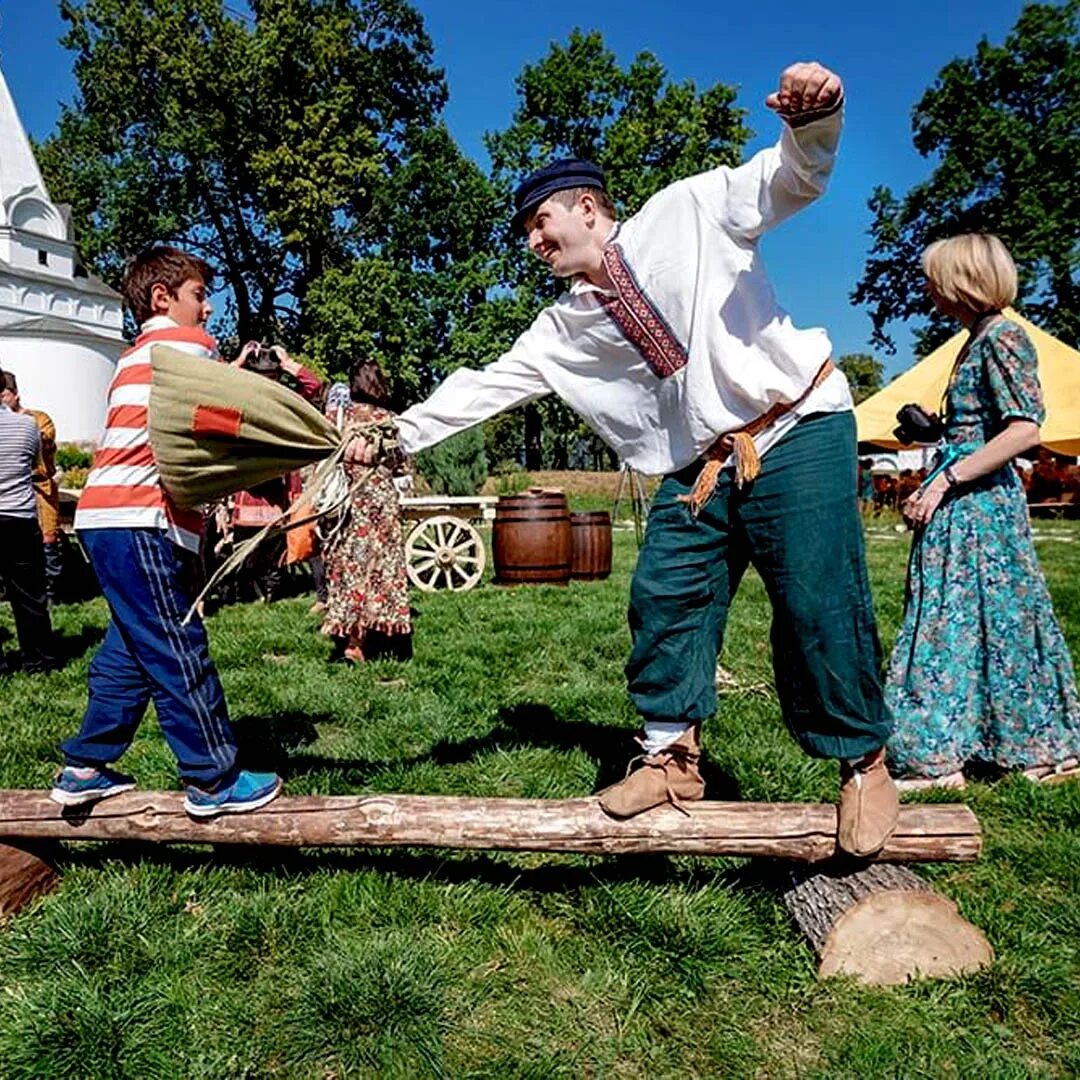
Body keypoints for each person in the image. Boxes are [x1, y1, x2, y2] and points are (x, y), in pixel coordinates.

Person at [351, 62, 897, 856]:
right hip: (702, 467)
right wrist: (394, 434)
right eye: (527, 232)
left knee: (817, 600)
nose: (533, 241)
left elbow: (789, 180)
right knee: (665, 593)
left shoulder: (688, 210)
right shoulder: (562, 328)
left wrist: (815, 122)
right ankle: (672, 758)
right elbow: (484, 386)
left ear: (587, 206)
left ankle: (863, 762)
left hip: (796, 426)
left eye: (541, 222)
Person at [51, 245, 282, 815]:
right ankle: (213, 779)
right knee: (178, 645)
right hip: (142, 520)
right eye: (198, 295)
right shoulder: (184, 344)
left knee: (131, 647)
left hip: (105, 520)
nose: (207, 309)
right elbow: (232, 415)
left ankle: (85, 766)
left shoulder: (134, 356)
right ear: (162, 298)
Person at [887, 234, 1080, 789]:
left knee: (964, 616)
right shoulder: (975, 339)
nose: (928, 288)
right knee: (977, 617)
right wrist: (938, 432)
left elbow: (1024, 431)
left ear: (961, 281)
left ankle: (948, 753)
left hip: (979, 505)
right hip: (966, 500)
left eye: (934, 278)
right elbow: (984, 428)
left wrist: (945, 479)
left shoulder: (1004, 337)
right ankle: (1006, 744)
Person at [322, 360, 411, 662]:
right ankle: (379, 632)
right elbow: (400, 464)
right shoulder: (389, 420)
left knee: (350, 566)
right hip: (380, 503)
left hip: (346, 503)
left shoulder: (337, 417)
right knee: (381, 565)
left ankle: (353, 639)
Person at [0, 370, 57, 674]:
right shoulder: (27, 425)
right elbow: (36, 464)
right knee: (29, 595)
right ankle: (40, 659)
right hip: (19, 516)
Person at [0, 372, 63, 602]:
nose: (2, 399)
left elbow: (45, 439)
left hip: (39, 490)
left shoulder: (36, 419)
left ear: (15, 395)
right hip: (12, 493)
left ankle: (51, 591)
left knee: (47, 540)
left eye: (5, 395)